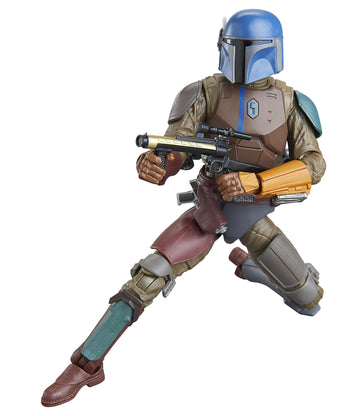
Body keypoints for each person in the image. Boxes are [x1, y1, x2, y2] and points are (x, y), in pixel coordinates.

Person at [41, 9, 326, 407]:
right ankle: (87, 363)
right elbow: (177, 147)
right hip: (211, 204)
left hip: (254, 209)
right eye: (235, 47)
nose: (241, 58)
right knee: (151, 273)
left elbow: (314, 165)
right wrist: (160, 163)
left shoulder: (291, 102)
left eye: (248, 48)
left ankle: (253, 268)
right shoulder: (204, 92)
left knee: (309, 300)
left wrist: (257, 183)